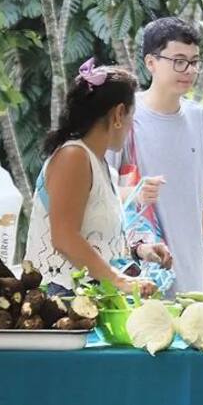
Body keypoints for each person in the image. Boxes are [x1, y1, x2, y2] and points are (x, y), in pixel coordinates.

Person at [24, 58, 169, 296]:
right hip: (60, 299)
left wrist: (139, 250)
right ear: (119, 114)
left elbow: (96, 242)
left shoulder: (102, 167)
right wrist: (119, 280)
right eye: (132, 117)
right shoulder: (73, 156)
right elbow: (64, 237)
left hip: (88, 298)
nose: (132, 126)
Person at [108, 17, 203, 295]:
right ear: (151, 63)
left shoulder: (199, 118)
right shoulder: (125, 117)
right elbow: (99, 194)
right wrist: (135, 192)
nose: (189, 70)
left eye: (194, 62)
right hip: (142, 278)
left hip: (196, 277)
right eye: (179, 61)